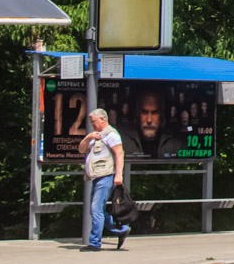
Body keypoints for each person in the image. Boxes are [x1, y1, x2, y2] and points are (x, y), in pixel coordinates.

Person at [78, 109, 130, 251]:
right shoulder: (95, 136)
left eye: (93, 121)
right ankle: (121, 230)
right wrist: (88, 137)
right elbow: (81, 149)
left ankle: (95, 243)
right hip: (96, 178)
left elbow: (119, 154)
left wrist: (118, 175)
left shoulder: (111, 134)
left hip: (105, 176)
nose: (92, 124)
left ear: (102, 119)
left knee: (96, 209)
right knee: (96, 209)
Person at [117, 90, 187, 158]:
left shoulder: (177, 144)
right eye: (144, 112)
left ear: (161, 115)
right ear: (138, 114)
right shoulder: (121, 141)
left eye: (154, 113)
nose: (149, 120)